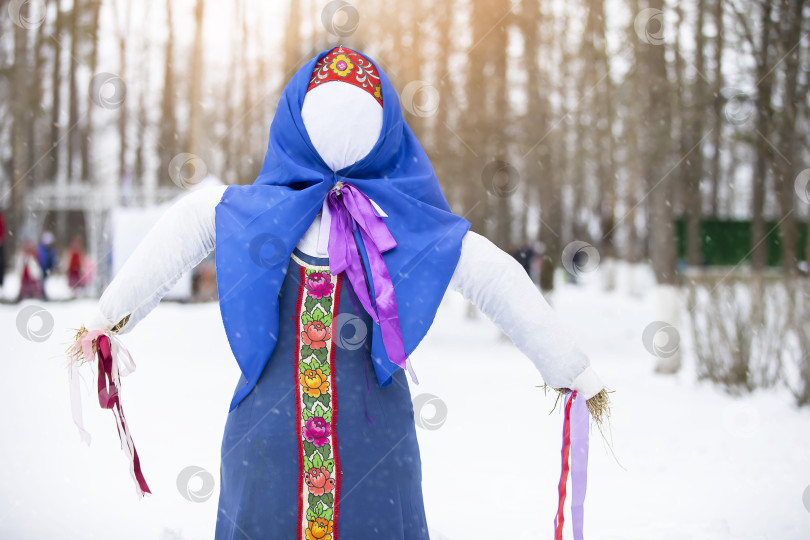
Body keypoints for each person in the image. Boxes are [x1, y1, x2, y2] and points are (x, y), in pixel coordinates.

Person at [71, 47, 607, 539]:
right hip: (357, 454)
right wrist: (571, 368)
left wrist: (106, 320)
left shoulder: (249, 212)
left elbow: (182, 230)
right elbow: (495, 276)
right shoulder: (403, 227)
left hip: (286, 450)